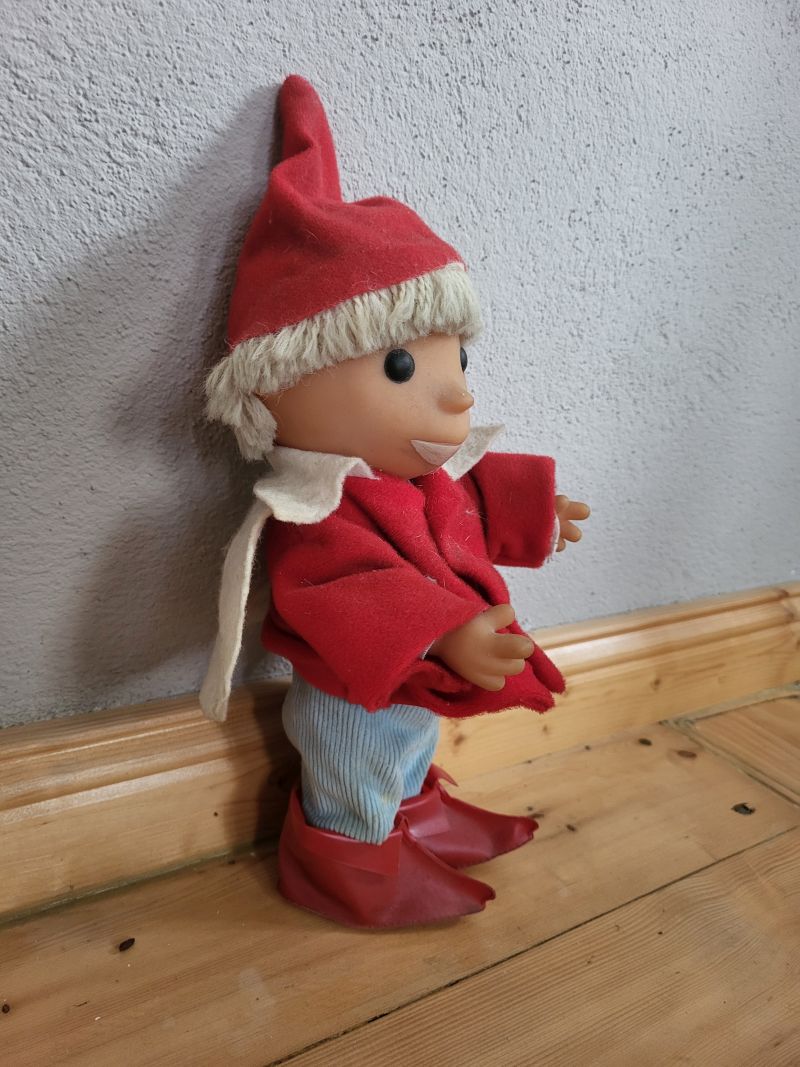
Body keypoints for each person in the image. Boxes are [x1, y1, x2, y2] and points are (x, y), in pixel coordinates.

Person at [200, 75, 590, 928]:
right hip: (354, 694)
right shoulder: (315, 511)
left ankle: (416, 814)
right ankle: (347, 861)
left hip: (402, 690)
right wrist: (444, 632)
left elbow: (469, 496)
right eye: (404, 367)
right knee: (357, 770)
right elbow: (347, 592)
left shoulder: (410, 478)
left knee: (407, 751)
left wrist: (539, 511)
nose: (457, 396)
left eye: (459, 361)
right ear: (280, 382)